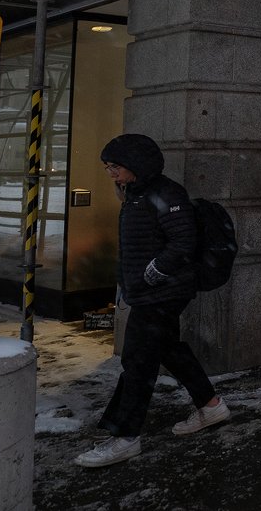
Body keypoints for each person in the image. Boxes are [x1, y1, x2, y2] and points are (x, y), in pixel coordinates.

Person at [74, 134, 229, 468]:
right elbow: (135, 245)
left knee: (137, 362)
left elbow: (183, 242)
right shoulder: (136, 194)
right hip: (149, 291)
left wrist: (153, 271)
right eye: (107, 168)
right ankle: (211, 404)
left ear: (137, 165)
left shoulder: (166, 193)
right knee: (167, 349)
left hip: (164, 292)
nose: (111, 174)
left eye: (115, 167)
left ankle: (124, 437)